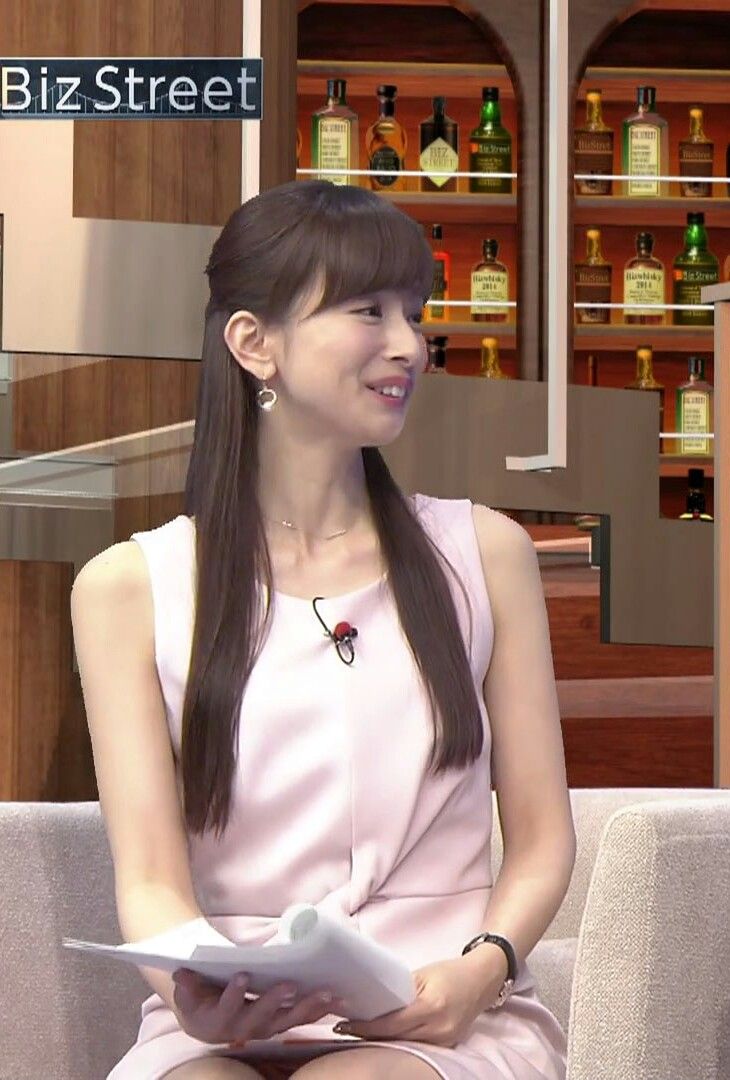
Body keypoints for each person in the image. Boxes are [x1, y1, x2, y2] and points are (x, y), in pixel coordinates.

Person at [71, 179, 576, 1080]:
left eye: (414, 314)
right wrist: (188, 992)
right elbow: (148, 878)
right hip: (222, 1020)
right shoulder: (128, 587)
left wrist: (482, 968)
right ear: (253, 344)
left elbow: (541, 840)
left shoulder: (486, 553)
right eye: (367, 311)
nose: (408, 344)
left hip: (444, 1013)